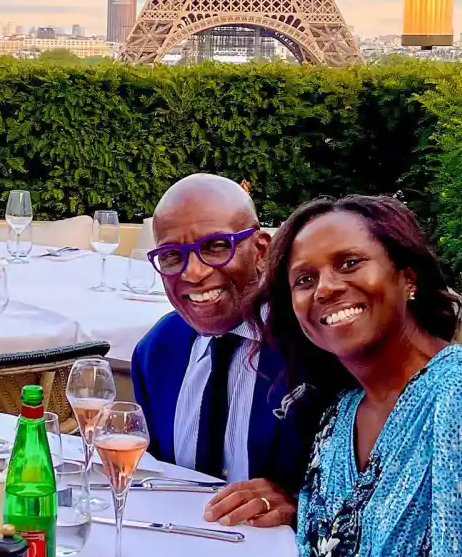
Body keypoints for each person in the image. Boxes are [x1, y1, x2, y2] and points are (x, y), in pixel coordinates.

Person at [268, 195, 462, 557]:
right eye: (304, 280)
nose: (325, 288)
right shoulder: (338, 418)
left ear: (408, 279)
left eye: (349, 263)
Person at [131, 175, 320, 529]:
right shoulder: (156, 353)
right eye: (171, 256)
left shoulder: (315, 346)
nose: (194, 272)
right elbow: (154, 474)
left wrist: (298, 504)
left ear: (261, 251)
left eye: (216, 246)